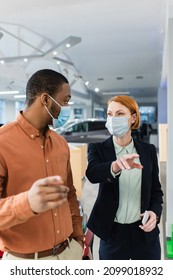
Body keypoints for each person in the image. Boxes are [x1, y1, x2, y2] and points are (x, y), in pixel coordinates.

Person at [0, 69, 84, 260]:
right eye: (65, 100)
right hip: (26, 262)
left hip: (69, 252)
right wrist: (28, 202)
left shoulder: (61, 143)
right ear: (46, 99)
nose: (67, 107)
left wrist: (78, 239)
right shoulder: (2, 143)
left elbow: (70, 193)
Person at [86, 95, 164, 260]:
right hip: (113, 234)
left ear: (133, 118)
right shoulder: (98, 149)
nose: (113, 119)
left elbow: (156, 192)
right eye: (109, 114)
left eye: (120, 114)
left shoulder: (148, 151)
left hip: (144, 233)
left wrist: (155, 214)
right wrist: (115, 165)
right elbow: (92, 173)